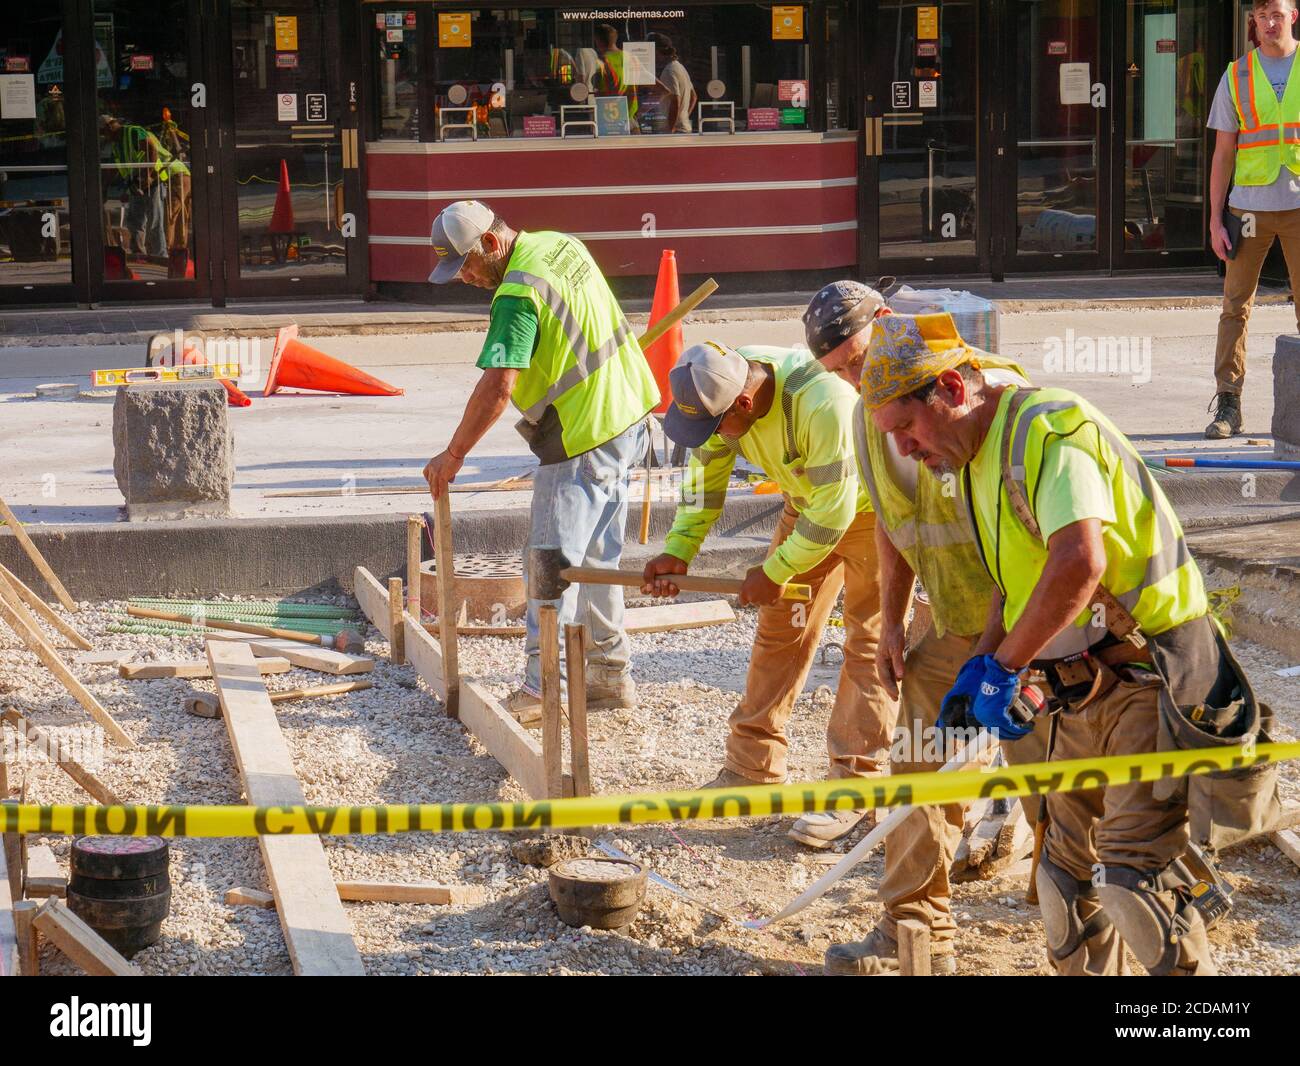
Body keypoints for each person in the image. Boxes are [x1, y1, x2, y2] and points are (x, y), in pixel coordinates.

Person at [859, 312, 1281, 976]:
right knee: (1063, 888)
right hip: (1075, 693)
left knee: (1133, 884)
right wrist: (980, 664)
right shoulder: (973, 457)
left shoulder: (1050, 429)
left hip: (1149, 678)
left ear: (949, 387)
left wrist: (1003, 667)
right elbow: (1011, 578)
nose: (906, 451)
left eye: (907, 429)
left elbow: (1079, 561)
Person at [802, 299, 1046, 975]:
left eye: (855, 361)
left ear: (884, 321)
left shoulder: (984, 397)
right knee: (918, 764)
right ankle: (914, 929)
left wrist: (1001, 653)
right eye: (839, 372)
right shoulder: (869, 414)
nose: (853, 379)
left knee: (1051, 776)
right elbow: (891, 517)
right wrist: (892, 620)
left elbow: (1020, 538)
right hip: (951, 619)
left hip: (1031, 619)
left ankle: (1077, 923)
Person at [643, 327, 897, 849]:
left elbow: (836, 512)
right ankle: (752, 766)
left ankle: (855, 785)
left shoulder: (820, 400)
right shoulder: (717, 392)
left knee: (868, 644)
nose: (716, 437)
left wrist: (774, 571)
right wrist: (679, 548)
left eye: (720, 426)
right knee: (782, 629)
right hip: (808, 505)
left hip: (873, 515)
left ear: (743, 400)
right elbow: (702, 483)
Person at [422, 201, 659, 720]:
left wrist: (454, 452)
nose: (465, 277)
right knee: (597, 563)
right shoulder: (559, 243)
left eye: (465, 264)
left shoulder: (516, 294)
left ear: (490, 243)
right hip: (628, 417)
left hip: (582, 437)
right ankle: (608, 676)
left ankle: (542, 688)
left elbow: (497, 386)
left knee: (550, 566)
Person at [1206, 0, 1300, 438]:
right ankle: (1229, 404)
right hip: (1248, 210)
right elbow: (1224, 151)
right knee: (1235, 307)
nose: (1269, 22)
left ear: (1293, 15)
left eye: (1277, 13)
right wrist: (1214, 218)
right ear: (1254, 21)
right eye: (1262, 15)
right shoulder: (1237, 74)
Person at [101, 114, 170, 259]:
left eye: (103, 133)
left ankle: (160, 256)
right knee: (135, 221)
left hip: (153, 182)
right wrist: (104, 188)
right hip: (135, 184)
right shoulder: (116, 143)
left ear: (110, 127)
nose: (103, 137)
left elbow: (151, 150)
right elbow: (112, 168)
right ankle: (139, 253)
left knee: (154, 220)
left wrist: (147, 175)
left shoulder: (133, 132)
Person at [589, 23, 638, 127]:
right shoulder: (630, 57)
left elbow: (599, 91)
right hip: (630, 118)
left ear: (598, 40)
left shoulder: (602, 61)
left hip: (610, 119)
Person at [648, 33, 696, 133]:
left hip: (675, 131)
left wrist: (671, 128)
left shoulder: (669, 71)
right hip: (682, 128)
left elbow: (675, 101)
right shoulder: (680, 67)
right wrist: (683, 117)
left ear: (656, 51)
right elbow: (694, 97)